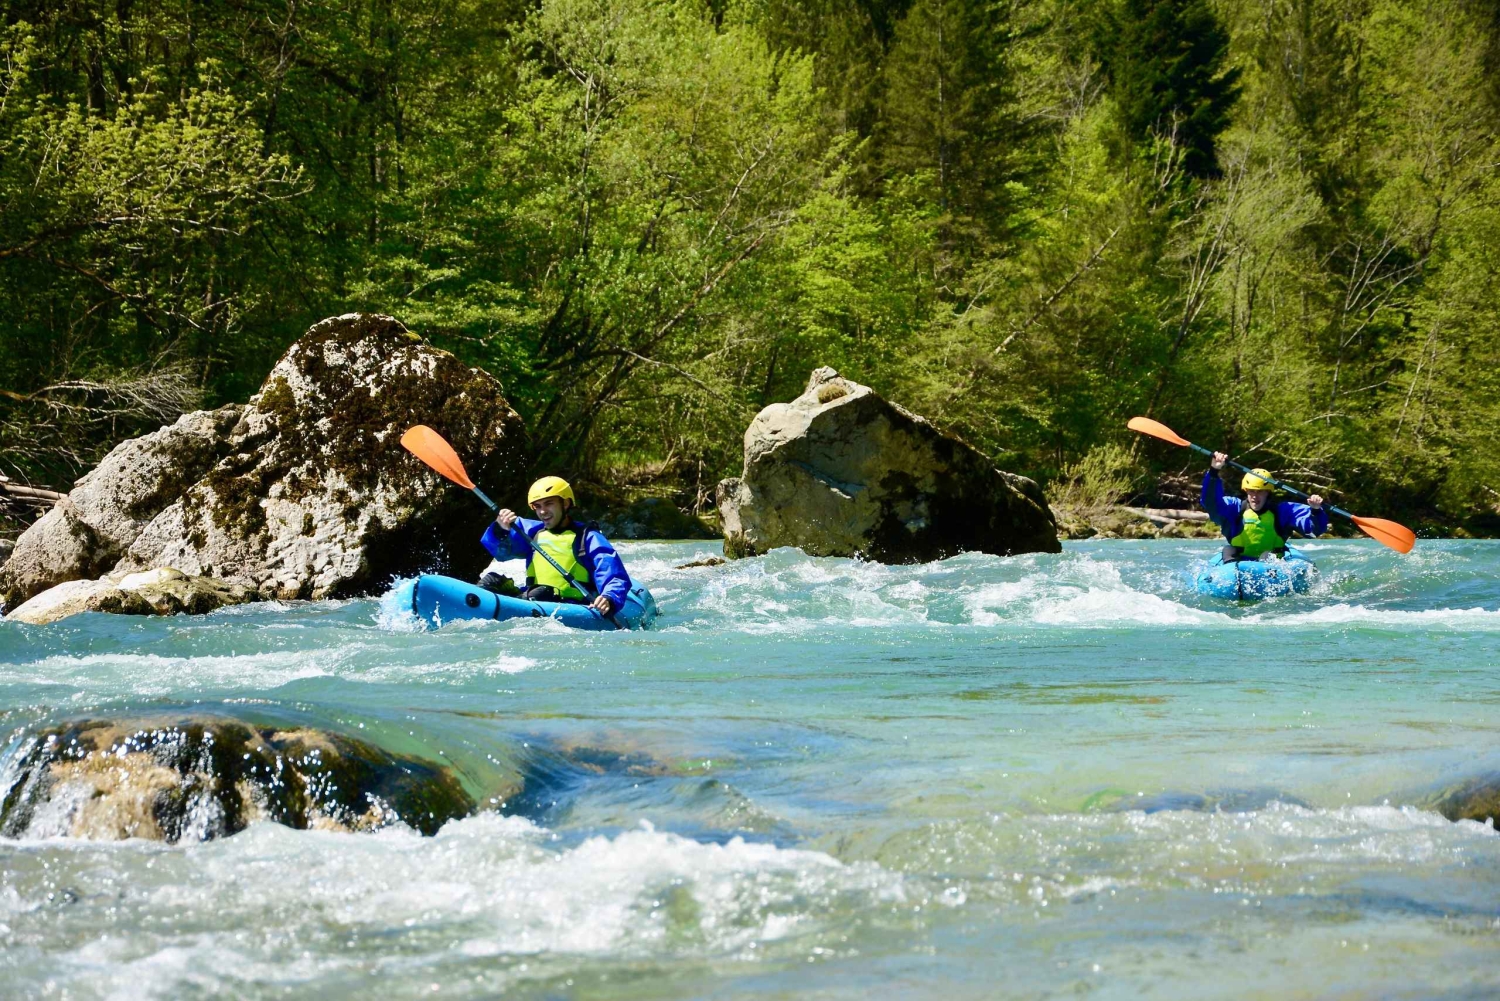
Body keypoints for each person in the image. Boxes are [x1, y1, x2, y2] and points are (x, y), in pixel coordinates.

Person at [477, 476, 631, 615]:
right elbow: (501, 552)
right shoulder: (531, 532)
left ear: (565, 503)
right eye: (537, 506)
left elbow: (612, 573)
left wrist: (609, 597)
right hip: (531, 598)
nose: (543, 511)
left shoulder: (587, 536)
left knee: (541, 593)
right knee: (491, 581)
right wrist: (500, 528)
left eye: (548, 504)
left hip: (573, 605)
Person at [1201, 453, 1329, 561]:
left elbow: (1313, 531)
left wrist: (1315, 511)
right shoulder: (1234, 509)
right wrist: (1213, 471)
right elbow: (1211, 502)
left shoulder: (1283, 511)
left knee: (1266, 555)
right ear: (1246, 491)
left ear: (1268, 493)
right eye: (1251, 491)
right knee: (1228, 549)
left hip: (1271, 562)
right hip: (1238, 562)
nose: (1255, 496)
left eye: (1260, 491)